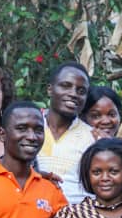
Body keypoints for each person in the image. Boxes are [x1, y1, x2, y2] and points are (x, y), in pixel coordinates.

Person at [37, 62, 94, 204]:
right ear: (50, 89)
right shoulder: (29, 128)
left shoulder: (93, 137)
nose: (73, 94)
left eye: (81, 91)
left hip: (76, 214)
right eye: (66, 86)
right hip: (30, 211)